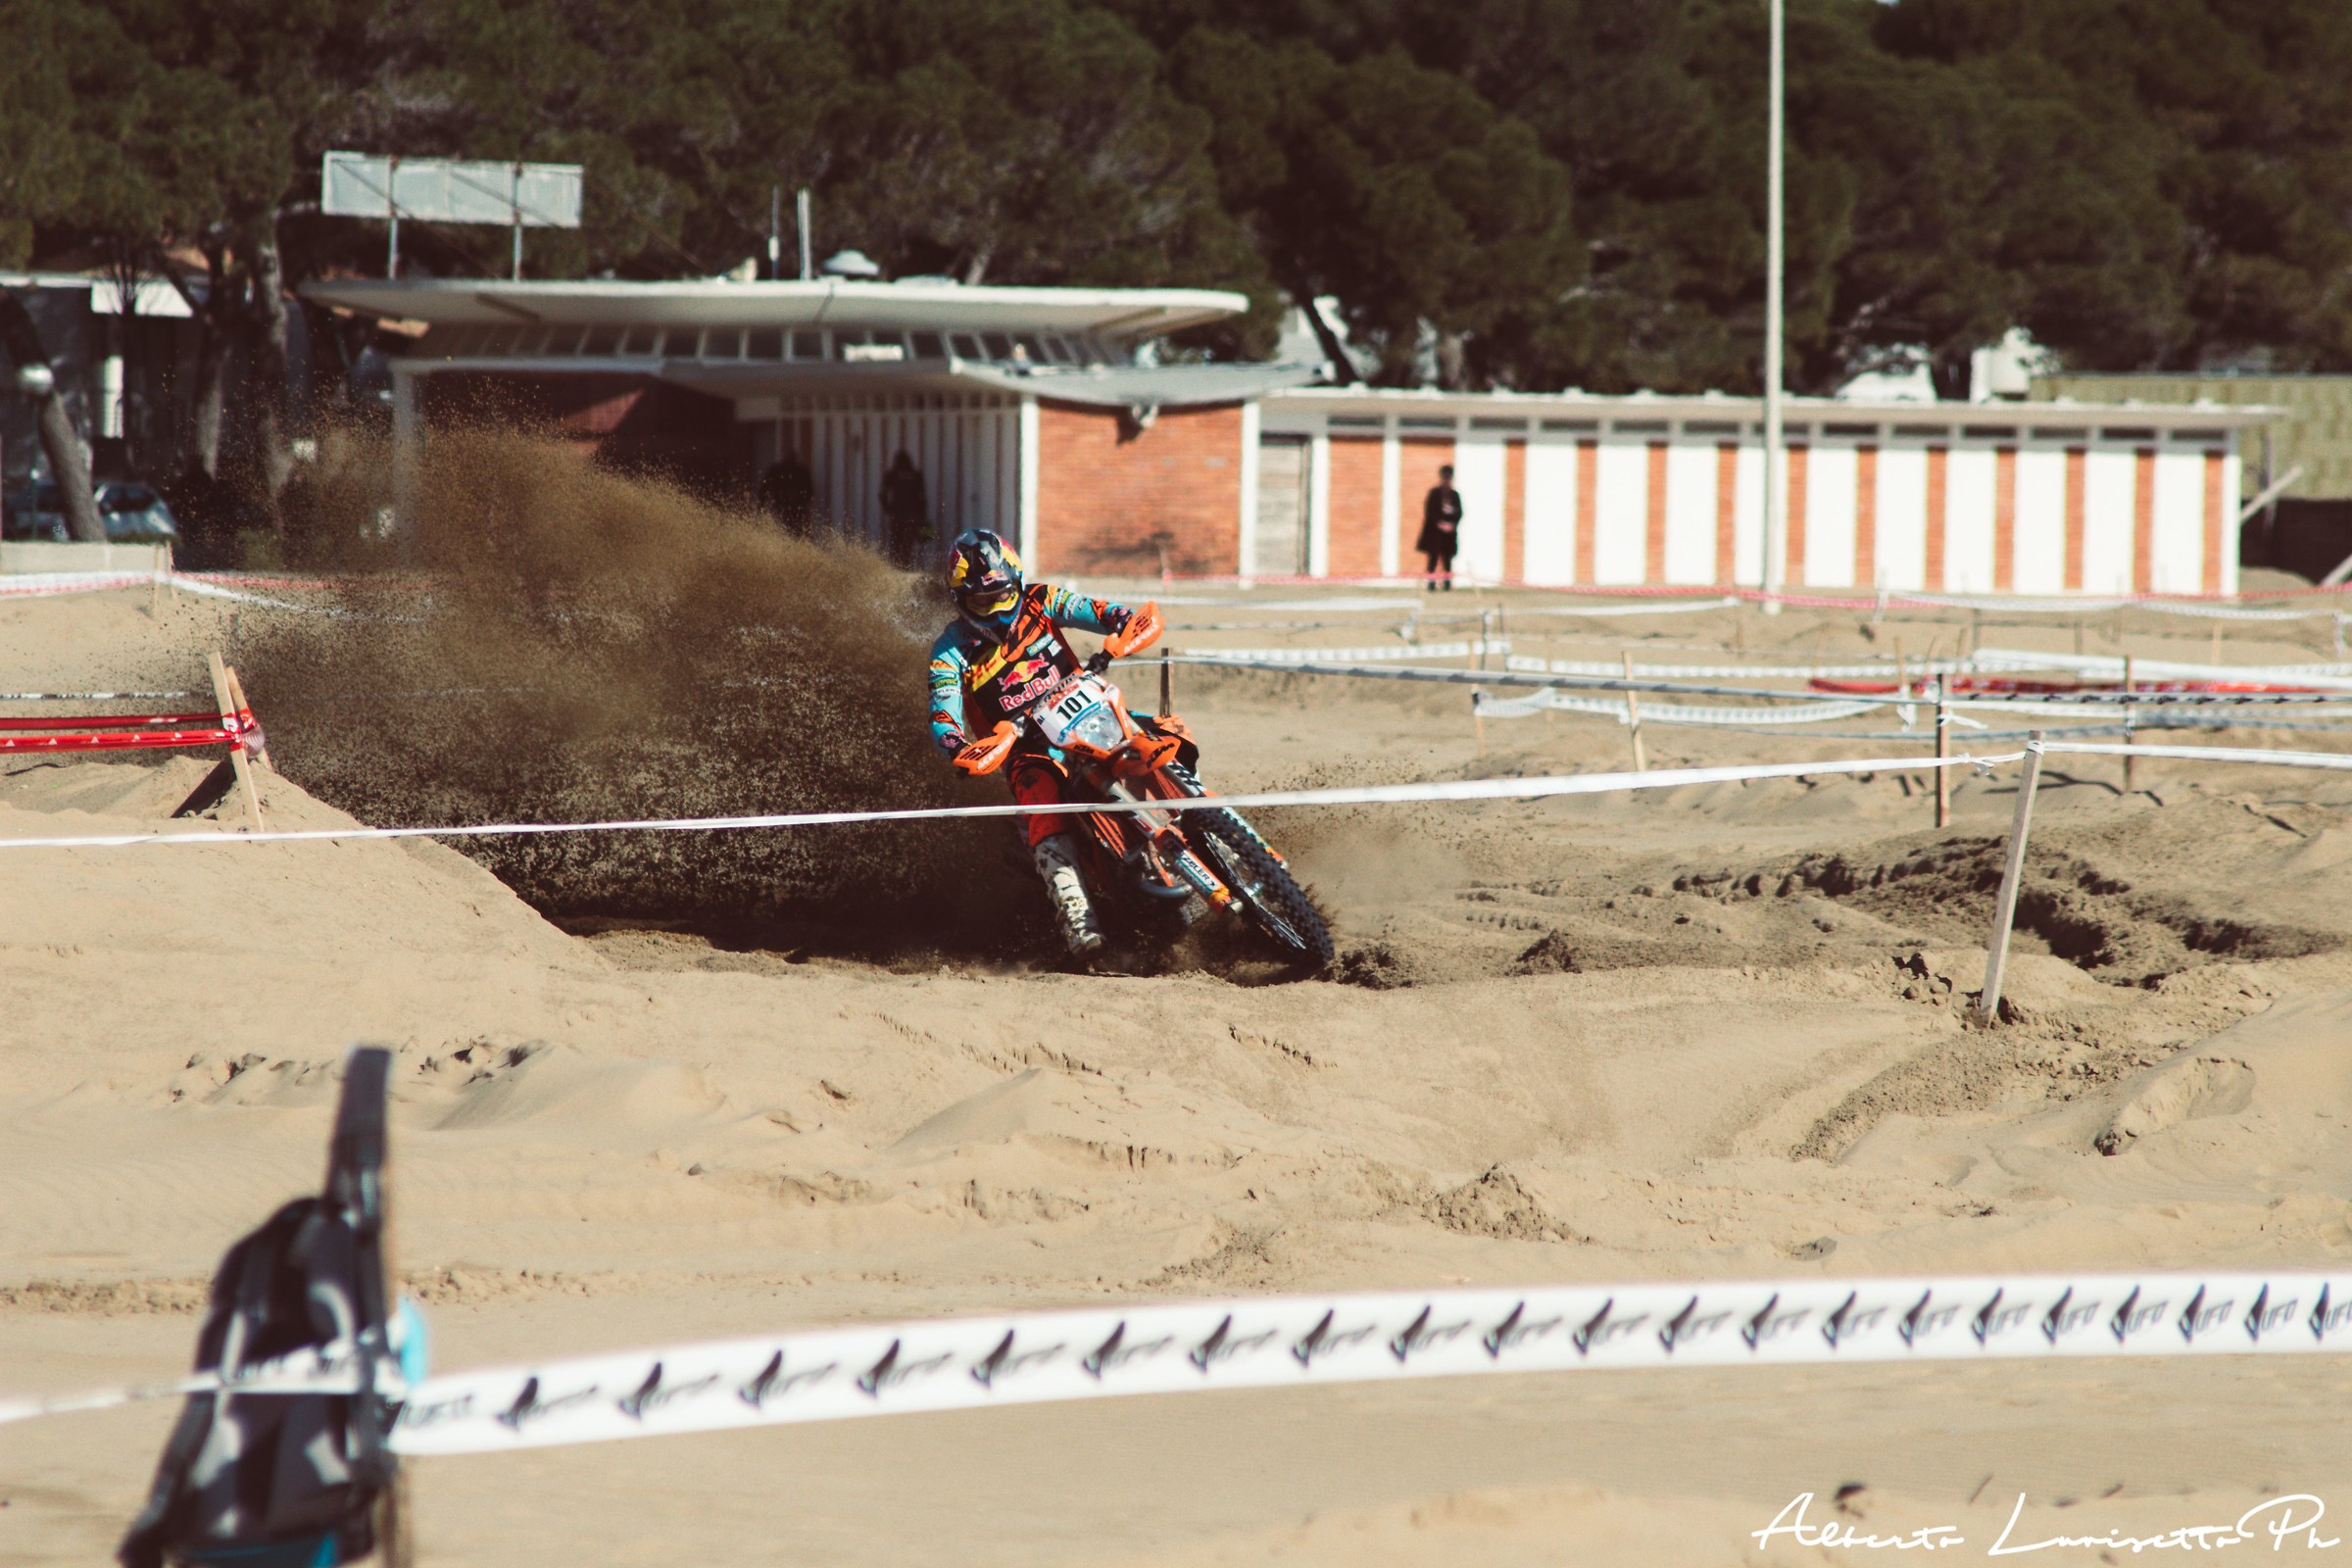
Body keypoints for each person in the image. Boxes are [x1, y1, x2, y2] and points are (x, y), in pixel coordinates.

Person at [927, 529, 1137, 956]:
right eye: (980, 602)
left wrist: (1122, 620)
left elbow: (1096, 610)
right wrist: (956, 745)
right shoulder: (950, 650)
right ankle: (1078, 919)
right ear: (960, 601)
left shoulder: (1042, 600)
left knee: (1162, 731)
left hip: (1090, 713)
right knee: (1039, 797)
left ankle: (1217, 828)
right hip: (1025, 747)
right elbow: (942, 709)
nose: (994, 609)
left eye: (1001, 596)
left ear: (1017, 583)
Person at [1416, 464, 1462, 590]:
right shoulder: (1434, 493)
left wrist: (1451, 525)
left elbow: (1459, 512)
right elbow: (1429, 511)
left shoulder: (1454, 495)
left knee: (1447, 558)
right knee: (1433, 557)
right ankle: (1431, 583)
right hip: (1434, 533)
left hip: (1449, 534)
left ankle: (1447, 583)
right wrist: (1440, 523)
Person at [882, 449, 929, 566]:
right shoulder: (916, 475)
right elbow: (922, 498)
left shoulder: (891, 475)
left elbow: (882, 493)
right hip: (912, 516)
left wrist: (887, 508)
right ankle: (906, 566)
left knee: (895, 542)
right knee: (908, 544)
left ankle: (895, 566)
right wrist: (922, 516)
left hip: (897, 515)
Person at [760, 451, 815, 537]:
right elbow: (764, 489)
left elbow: (809, 492)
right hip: (782, 507)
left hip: (796, 509)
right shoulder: (777, 471)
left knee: (795, 533)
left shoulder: (801, 472)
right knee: (781, 531)